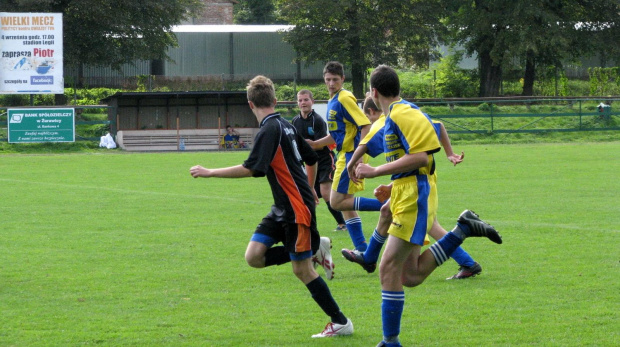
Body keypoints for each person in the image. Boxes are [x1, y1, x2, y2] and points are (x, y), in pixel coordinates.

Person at [190, 75, 352, 338]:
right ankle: (315, 248)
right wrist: (310, 188)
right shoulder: (287, 125)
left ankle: (340, 321)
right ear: (275, 101)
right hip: (283, 207)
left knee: (302, 270)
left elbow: (253, 169)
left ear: (250, 103)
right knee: (253, 257)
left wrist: (210, 172)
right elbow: (311, 159)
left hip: (296, 210)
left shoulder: (270, 129)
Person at [354, 65, 502, 347]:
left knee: (388, 268)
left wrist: (376, 172)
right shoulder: (397, 114)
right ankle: (462, 229)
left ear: (374, 93)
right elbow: (417, 150)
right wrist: (394, 183)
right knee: (409, 276)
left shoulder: (402, 113)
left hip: (415, 195)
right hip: (408, 191)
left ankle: (390, 342)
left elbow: (421, 157)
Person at [342, 97, 482, 280]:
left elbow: (369, 143)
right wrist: (392, 186)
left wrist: (359, 165)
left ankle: (467, 257)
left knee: (424, 241)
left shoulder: (396, 116)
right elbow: (437, 127)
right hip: (413, 181)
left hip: (420, 182)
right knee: (386, 211)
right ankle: (369, 257)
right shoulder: (404, 112)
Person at [305, 61, 383, 252]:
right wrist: (315, 144)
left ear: (343, 79)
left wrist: (358, 157)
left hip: (351, 155)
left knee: (336, 201)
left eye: (335, 80)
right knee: (347, 204)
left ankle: (389, 205)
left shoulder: (345, 98)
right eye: (328, 80)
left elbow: (365, 125)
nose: (331, 83)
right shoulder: (333, 100)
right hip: (344, 154)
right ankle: (363, 251)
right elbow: (337, 133)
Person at [291, 89, 347, 232]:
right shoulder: (295, 122)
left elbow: (318, 145)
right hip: (310, 164)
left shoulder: (318, 120)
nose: (303, 103)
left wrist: (305, 145)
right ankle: (307, 225)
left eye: (306, 100)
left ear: (312, 101)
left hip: (324, 161)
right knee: (307, 194)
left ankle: (343, 224)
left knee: (325, 191)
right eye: (300, 100)